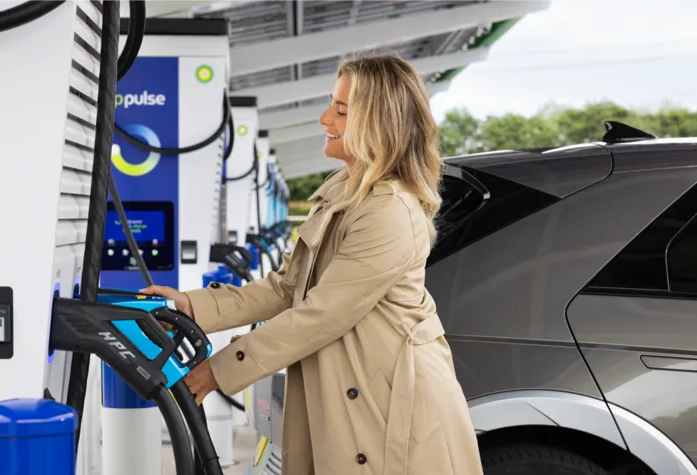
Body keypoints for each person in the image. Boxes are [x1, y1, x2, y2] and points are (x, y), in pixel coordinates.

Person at [141, 55, 483, 475]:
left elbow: (321, 315)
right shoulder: (343, 191)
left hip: (393, 414)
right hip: (353, 397)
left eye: (341, 110)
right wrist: (196, 306)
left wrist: (219, 370)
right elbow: (288, 286)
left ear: (377, 121)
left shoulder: (389, 210)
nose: (324, 118)